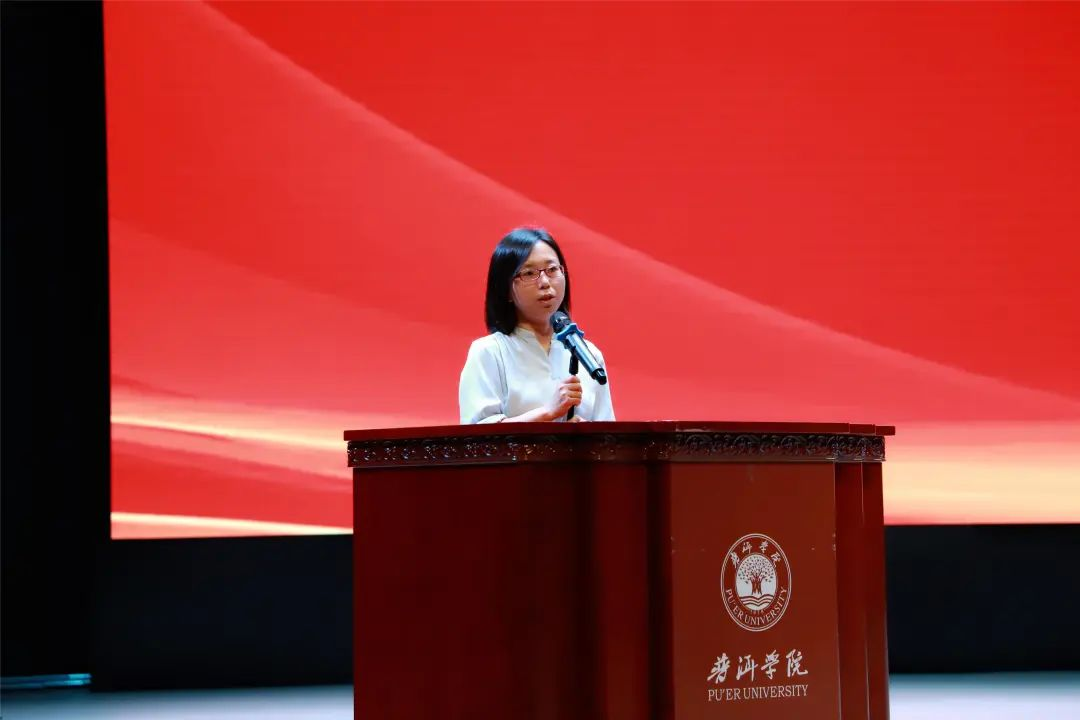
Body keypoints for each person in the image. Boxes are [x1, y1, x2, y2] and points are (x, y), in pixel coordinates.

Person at [459, 227, 615, 424]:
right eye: (529, 273)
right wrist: (547, 413)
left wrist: (586, 435)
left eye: (552, 270)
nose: (544, 282)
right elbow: (478, 436)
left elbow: (608, 433)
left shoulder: (589, 355)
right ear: (506, 290)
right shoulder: (489, 352)